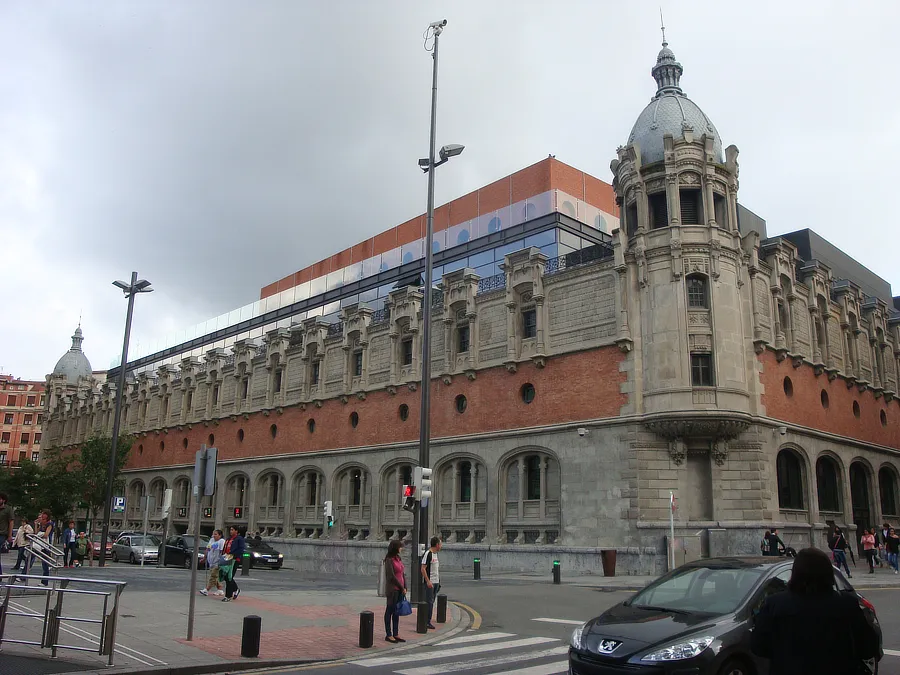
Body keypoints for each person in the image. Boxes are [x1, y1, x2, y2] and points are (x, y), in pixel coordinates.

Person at [750, 547, 879, 674]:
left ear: (795, 573)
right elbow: (868, 647)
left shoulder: (775, 604)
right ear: (828, 573)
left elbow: (758, 647)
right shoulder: (845, 603)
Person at [383, 539, 407, 644]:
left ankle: (396, 633)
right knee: (390, 611)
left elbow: (402, 573)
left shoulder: (398, 559)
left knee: (397, 612)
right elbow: (391, 576)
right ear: (395, 548)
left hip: (400, 589)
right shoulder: (389, 560)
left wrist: (405, 587)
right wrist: (401, 587)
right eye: (400, 547)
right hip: (393, 590)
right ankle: (389, 634)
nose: (401, 548)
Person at [420, 536, 442, 630]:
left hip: (436, 582)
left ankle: (428, 619)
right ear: (437, 545)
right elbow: (423, 568)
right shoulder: (428, 554)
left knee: (432, 602)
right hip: (430, 582)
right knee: (429, 602)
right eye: (440, 544)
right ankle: (426, 621)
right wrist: (428, 581)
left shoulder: (436, 554)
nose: (441, 546)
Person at [220, 526, 245, 602]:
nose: (230, 531)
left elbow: (241, 549)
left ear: (236, 531)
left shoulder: (239, 539)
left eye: (232, 530)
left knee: (229, 577)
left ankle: (228, 595)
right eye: (230, 530)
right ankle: (235, 589)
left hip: (234, 559)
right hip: (226, 558)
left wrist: (233, 554)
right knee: (225, 576)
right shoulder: (228, 539)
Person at [31, 511, 55, 586]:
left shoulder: (49, 524)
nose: (42, 519)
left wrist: (39, 535)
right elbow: (36, 532)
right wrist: (36, 525)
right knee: (29, 558)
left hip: (45, 544)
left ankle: (45, 581)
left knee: (45, 563)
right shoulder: (41, 524)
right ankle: (23, 576)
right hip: (38, 543)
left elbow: (46, 535)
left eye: (43, 518)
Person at [200, 529, 225, 596]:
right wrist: (204, 558)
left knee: (213, 576)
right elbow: (207, 549)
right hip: (211, 561)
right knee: (216, 576)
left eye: (216, 534)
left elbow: (222, 551)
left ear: (220, 535)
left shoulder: (221, 541)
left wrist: (221, 561)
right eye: (213, 534)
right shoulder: (211, 540)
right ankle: (220, 589)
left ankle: (207, 589)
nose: (214, 535)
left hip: (217, 562)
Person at [0, 493, 13, 574]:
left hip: (2, 533)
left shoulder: (8, 509)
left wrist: (10, 535)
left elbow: (11, 522)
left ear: (3, 500)